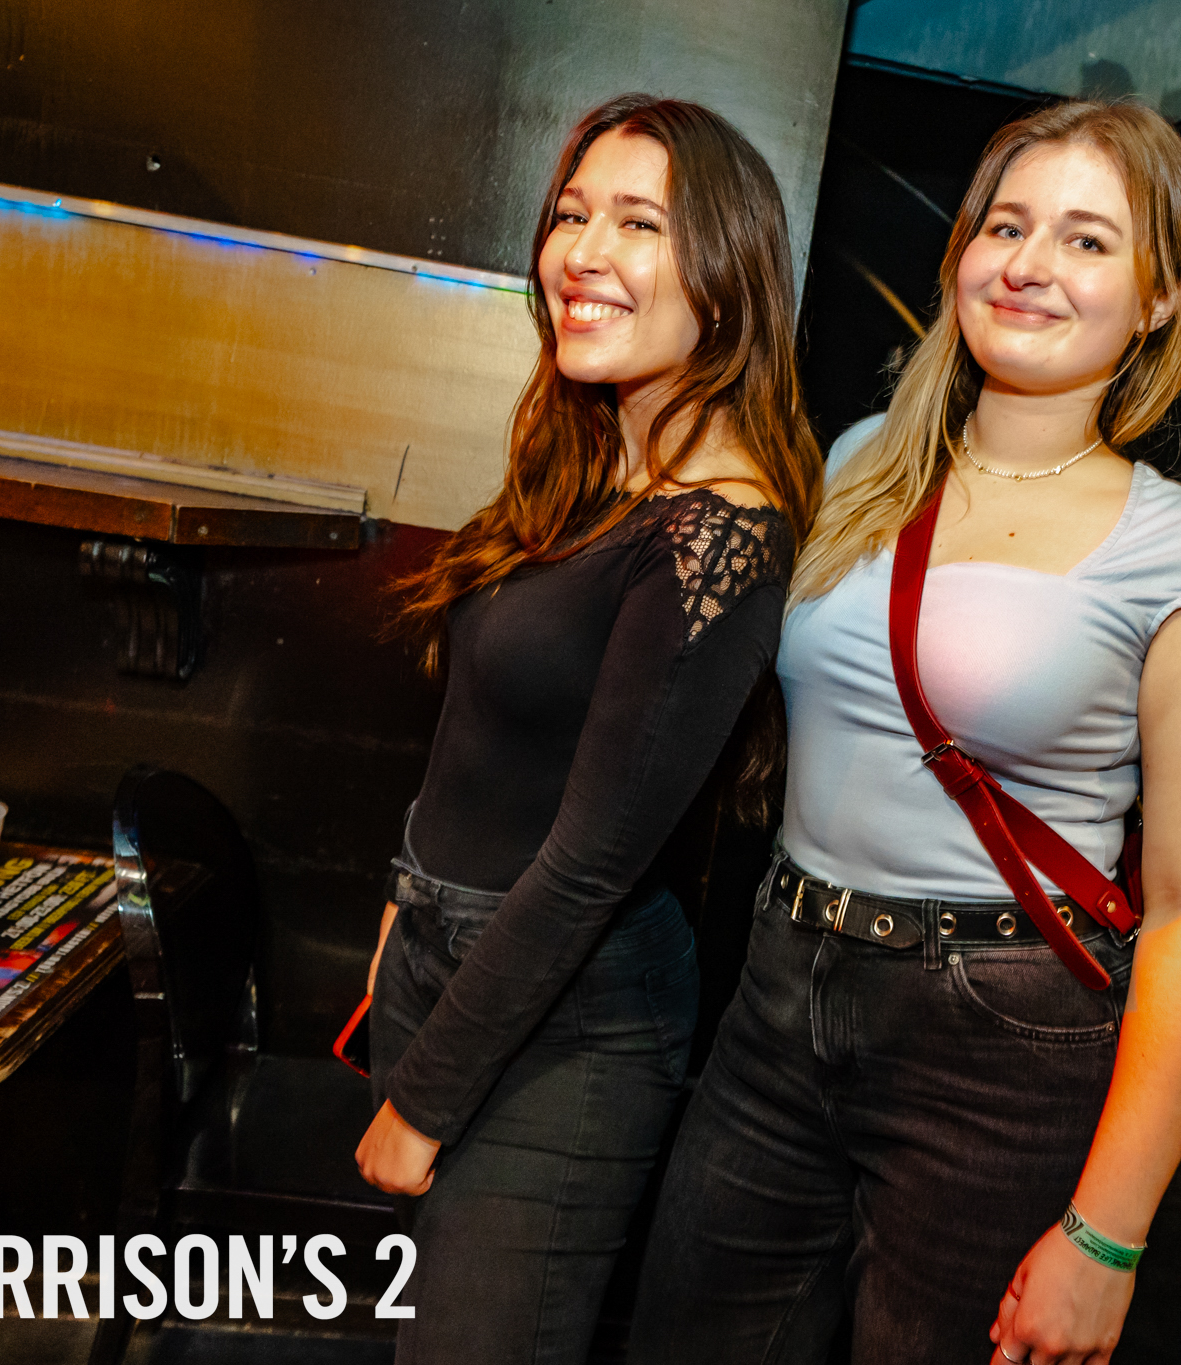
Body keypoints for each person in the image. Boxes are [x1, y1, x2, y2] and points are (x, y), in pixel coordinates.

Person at [630, 99, 1181, 1365]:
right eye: (1005, 226)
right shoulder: (863, 463)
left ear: (1157, 300)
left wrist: (1107, 1237)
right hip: (778, 989)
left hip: (998, 1041)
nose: (1029, 264)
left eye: (1087, 241)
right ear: (960, 253)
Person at [356, 94, 820, 1364]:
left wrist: (425, 1098)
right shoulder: (590, 467)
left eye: (638, 224)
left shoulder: (721, 534)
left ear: (726, 276)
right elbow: (476, 735)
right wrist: (403, 912)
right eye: (570, 215)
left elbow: (591, 862)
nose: (583, 253)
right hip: (448, 966)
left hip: (567, 1025)